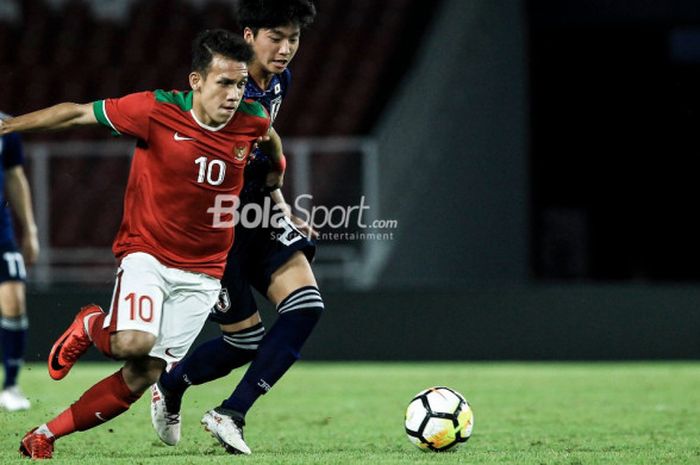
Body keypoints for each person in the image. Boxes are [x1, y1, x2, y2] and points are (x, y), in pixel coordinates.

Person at [1, 29, 276, 460]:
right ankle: (93, 323)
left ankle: (43, 435)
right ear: (196, 81)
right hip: (147, 252)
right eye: (224, 82)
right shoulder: (154, 110)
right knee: (132, 343)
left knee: (146, 371)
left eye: (241, 84)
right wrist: (8, 126)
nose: (234, 94)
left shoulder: (252, 118)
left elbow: (269, 137)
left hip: (205, 271)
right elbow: (75, 114)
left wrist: (275, 176)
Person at [151, 0, 320, 456]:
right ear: (248, 36)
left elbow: (263, 154)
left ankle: (231, 413)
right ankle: (169, 384)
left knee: (306, 306)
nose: (285, 49)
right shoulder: (225, 91)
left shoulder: (278, 80)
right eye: (275, 37)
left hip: (255, 214)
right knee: (243, 342)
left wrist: (280, 206)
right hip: (213, 228)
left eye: (294, 38)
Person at [0, 114, 39, 412]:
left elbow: (14, 174)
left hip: (2, 231)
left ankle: (11, 385)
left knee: (14, 299)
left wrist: (30, 230)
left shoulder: (5, 125)